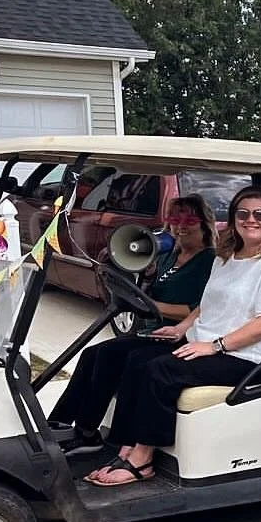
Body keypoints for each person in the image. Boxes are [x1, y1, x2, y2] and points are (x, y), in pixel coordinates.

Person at [84, 188, 261, 486]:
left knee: (160, 370)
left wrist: (214, 346)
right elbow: (206, 305)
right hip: (217, 345)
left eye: (259, 214)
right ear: (234, 219)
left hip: (254, 357)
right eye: (243, 214)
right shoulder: (227, 257)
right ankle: (128, 443)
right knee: (135, 358)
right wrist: (181, 328)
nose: (251, 220)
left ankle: (142, 459)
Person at [49, 194, 218, 453]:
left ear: (204, 223)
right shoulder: (167, 256)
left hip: (183, 335)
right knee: (93, 353)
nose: (181, 225)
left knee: (118, 357)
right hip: (155, 331)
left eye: (189, 219)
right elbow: (147, 291)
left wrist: (154, 307)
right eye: (175, 218)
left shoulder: (208, 261)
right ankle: (58, 423)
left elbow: (197, 309)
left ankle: (96, 435)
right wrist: (142, 277)